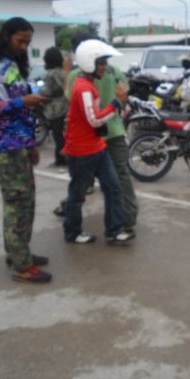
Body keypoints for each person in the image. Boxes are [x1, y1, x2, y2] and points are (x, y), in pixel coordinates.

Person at [0, 17, 52, 283]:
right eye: (20, 41)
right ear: (6, 35)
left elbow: (21, 108)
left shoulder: (13, 63)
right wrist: (22, 101)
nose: (24, 47)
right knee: (17, 203)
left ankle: (19, 253)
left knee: (26, 202)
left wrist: (31, 144)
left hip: (22, 143)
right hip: (6, 145)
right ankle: (21, 266)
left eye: (28, 42)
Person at [54, 33, 139, 234]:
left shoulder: (76, 75)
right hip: (114, 131)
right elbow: (124, 96)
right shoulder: (115, 71)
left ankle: (69, 212)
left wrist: (67, 72)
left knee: (82, 180)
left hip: (89, 137)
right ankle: (127, 218)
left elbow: (69, 99)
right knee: (120, 177)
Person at [39, 47, 69, 168]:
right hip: (66, 105)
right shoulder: (64, 72)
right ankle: (61, 158)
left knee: (57, 135)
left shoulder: (51, 74)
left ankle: (61, 159)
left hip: (55, 108)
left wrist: (40, 92)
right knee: (62, 134)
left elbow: (46, 91)